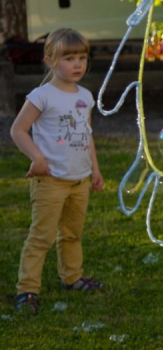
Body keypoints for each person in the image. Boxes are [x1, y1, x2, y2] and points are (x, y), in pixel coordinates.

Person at [10, 28, 105, 315]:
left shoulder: (85, 96)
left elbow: (86, 134)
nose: (77, 64)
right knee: (41, 238)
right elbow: (18, 130)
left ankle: (72, 278)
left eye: (82, 58)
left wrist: (95, 169)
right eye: (69, 58)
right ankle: (27, 290)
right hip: (50, 181)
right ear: (50, 60)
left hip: (79, 180)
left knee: (72, 234)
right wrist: (37, 157)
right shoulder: (42, 96)